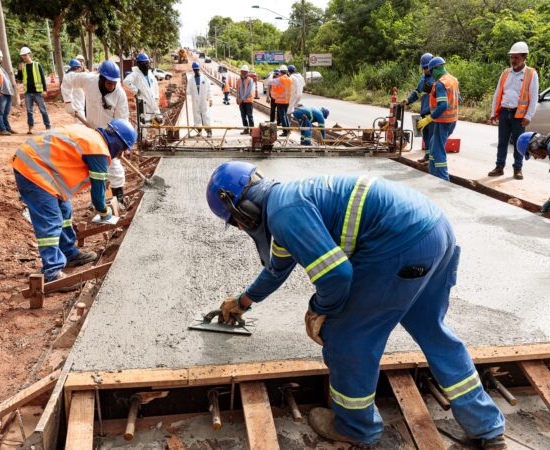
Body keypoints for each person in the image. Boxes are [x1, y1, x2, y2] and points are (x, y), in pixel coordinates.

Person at [206, 161, 506, 449]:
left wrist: (320, 310)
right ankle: (486, 427)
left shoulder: (285, 213)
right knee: (432, 330)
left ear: (243, 212)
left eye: (235, 224)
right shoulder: (287, 202)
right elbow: (276, 269)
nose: (240, 229)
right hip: (434, 231)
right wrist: (243, 301)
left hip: (399, 245)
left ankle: (355, 428)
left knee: (347, 339)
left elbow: (336, 276)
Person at [11, 119, 136, 282]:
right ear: (118, 143)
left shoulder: (93, 138)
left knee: (65, 211)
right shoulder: (98, 151)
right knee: (51, 220)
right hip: (33, 169)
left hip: (45, 168)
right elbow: (98, 197)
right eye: (123, 149)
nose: (121, 154)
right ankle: (52, 272)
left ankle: (68, 252)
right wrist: (105, 212)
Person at [61, 60, 130, 207]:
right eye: (108, 83)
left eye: (114, 83)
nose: (111, 86)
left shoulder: (120, 94)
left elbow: (122, 121)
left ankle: (119, 199)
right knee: (96, 168)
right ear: (101, 78)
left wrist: (121, 145)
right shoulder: (89, 80)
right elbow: (68, 79)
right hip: (92, 132)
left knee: (115, 168)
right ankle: (98, 201)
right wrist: (68, 102)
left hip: (110, 136)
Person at [488, 41, 539, 180]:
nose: (513, 60)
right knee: (502, 141)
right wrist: (494, 113)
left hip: (519, 114)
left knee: (518, 143)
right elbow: (498, 93)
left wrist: (529, 115)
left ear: (524, 58)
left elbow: (534, 97)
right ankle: (499, 167)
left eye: (516, 57)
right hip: (504, 112)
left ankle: (518, 168)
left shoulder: (531, 74)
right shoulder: (505, 73)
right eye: (512, 57)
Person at [416, 56, 460, 181]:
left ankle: (443, 179)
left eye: (431, 71)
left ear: (435, 69)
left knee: (438, 150)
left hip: (442, 121)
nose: (431, 74)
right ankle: (433, 173)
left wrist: (428, 119)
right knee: (433, 145)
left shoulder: (440, 83)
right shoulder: (452, 79)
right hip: (452, 120)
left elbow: (443, 105)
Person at [404, 53, 434, 163]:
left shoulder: (437, 78)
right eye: (424, 68)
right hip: (424, 111)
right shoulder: (423, 78)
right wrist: (408, 100)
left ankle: (432, 160)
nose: (426, 70)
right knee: (425, 135)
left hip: (432, 112)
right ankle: (427, 156)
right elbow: (417, 92)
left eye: (427, 67)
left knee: (432, 136)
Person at [16, 46, 51, 134]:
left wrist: (44, 90)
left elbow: (42, 77)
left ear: (29, 54)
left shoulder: (37, 64)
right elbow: (19, 79)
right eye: (22, 56)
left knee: (43, 110)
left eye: (25, 55)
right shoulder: (22, 67)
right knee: (29, 111)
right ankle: (30, 129)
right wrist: (19, 71)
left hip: (38, 92)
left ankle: (48, 127)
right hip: (28, 92)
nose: (24, 57)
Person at [123, 52, 161, 128]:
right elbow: (126, 81)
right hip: (143, 103)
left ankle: (158, 138)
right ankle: (142, 139)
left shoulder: (150, 74)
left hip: (153, 101)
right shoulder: (135, 74)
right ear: (139, 64)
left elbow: (155, 86)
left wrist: (157, 97)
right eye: (143, 63)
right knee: (143, 124)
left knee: (158, 122)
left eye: (147, 62)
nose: (146, 65)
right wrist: (136, 90)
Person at [186, 61, 213, 137]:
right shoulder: (191, 80)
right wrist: (185, 92)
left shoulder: (204, 78)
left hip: (203, 100)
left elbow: (209, 89)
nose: (196, 71)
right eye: (194, 70)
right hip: (195, 101)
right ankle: (199, 131)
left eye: (197, 69)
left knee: (205, 115)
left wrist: (210, 99)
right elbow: (188, 91)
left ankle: (209, 131)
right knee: (196, 116)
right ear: (193, 70)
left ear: (199, 69)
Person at [268, 65, 292, 136]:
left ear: (280, 72)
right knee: (285, 115)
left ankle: (285, 131)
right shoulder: (289, 79)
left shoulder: (279, 79)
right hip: (287, 100)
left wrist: (271, 74)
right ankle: (288, 130)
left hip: (280, 101)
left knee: (283, 116)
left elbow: (269, 82)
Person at [65, 58, 86, 123]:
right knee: (81, 124)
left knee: (79, 122)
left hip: (75, 105)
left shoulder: (67, 76)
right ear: (78, 68)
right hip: (77, 105)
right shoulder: (76, 76)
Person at [237, 65, 255, 134]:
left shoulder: (250, 80)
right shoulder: (239, 80)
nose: (243, 73)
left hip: (248, 101)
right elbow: (238, 90)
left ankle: (252, 130)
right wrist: (237, 98)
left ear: (247, 72)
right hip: (241, 102)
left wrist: (242, 98)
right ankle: (246, 129)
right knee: (243, 116)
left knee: (250, 116)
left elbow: (248, 91)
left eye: (245, 72)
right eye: (242, 72)